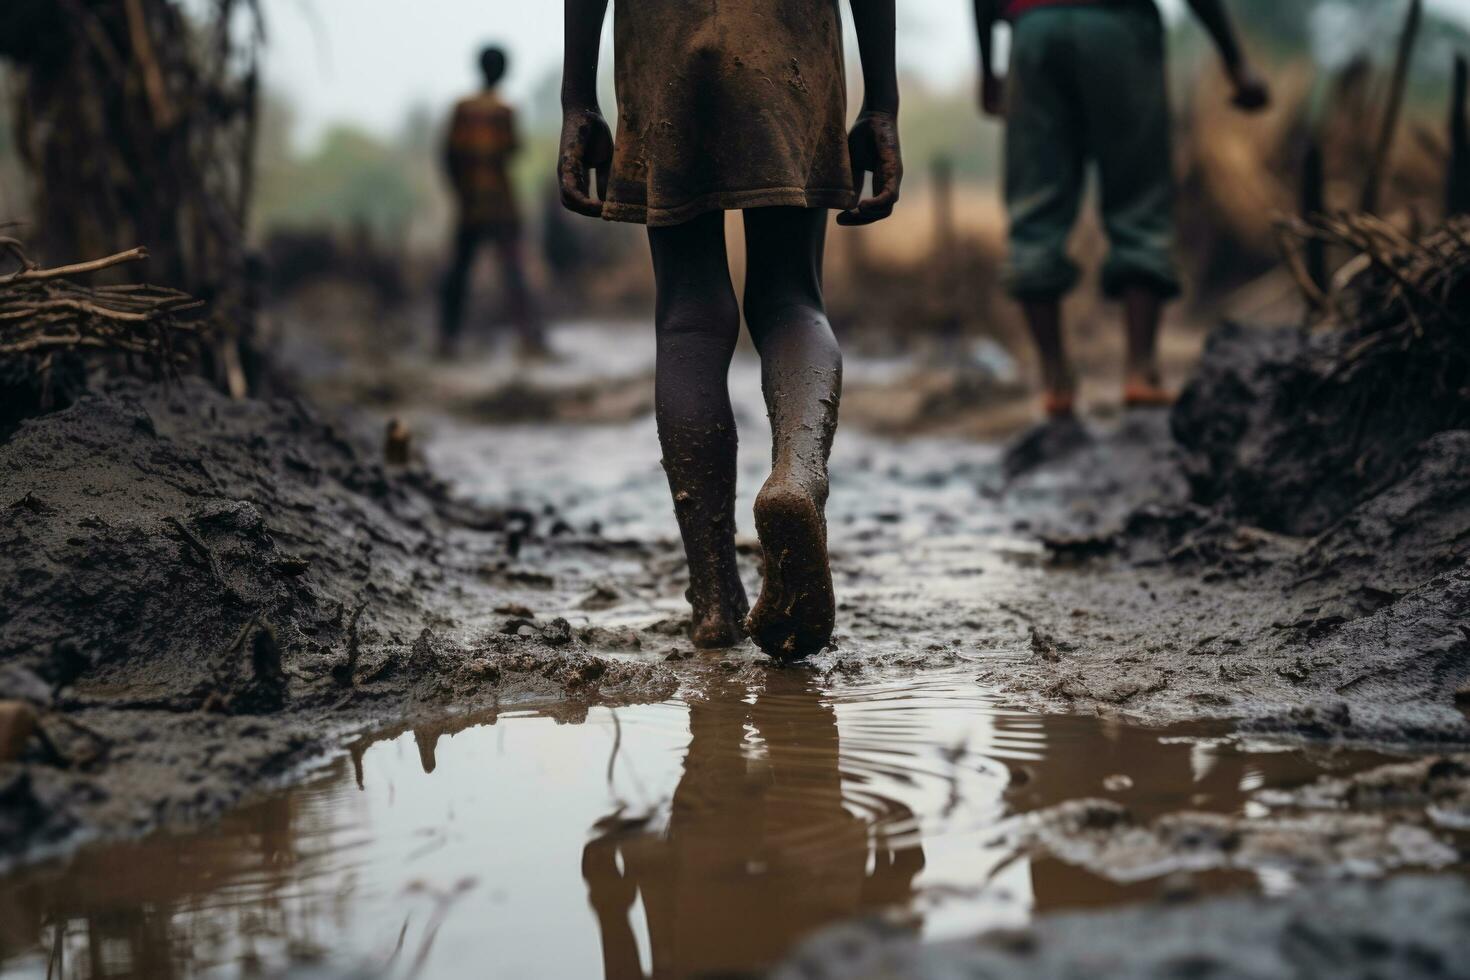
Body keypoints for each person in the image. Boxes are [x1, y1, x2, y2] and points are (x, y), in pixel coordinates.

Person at [558, 0, 903, 658]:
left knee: (689, 320)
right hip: (787, 38)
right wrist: (880, 102)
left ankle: (715, 602)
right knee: (791, 299)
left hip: (663, 42)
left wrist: (579, 98)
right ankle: (798, 478)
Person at [973, 0, 1270, 418]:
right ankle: (1140, 371)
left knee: (1035, 207)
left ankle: (1055, 381)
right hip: (1118, 26)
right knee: (1139, 199)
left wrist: (987, 69)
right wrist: (1235, 62)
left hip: (1033, 30)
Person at [439, 46, 546, 358]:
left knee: (459, 272)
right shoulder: (504, 112)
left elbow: (448, 155)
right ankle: (527, 338)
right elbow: (513, 150)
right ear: (503, 72)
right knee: (513, 272)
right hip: (500, 203)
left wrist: (460, 191)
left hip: (470, 204)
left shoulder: (463, 109)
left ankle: (447, 339)